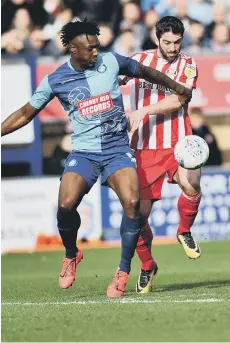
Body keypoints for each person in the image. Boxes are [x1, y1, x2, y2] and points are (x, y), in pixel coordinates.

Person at [1, 18, 192, 298]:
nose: (95, 52)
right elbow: (25, 113)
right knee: (66, 205)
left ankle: (123, 271)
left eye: (96, 46)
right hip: (85, 152)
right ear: (72, 49)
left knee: (132, 203)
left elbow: (146, 72)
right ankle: (71, 254)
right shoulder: (56, 79)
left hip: (117, 149)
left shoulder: (111, 61)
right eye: (89, 48)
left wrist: (177, 86)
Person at [120, 16, 202, 294]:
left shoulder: (188, 64)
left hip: (178, 140)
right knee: (138, 216)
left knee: (192, 184)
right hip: (143, 147)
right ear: (157, 38)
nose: (172, 47)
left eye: (177, 42)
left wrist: (143, 110)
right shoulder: (137, 59)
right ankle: (147, 265)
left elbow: (180, 98)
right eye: (167, 42)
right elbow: (110, 77)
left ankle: (184, 230)